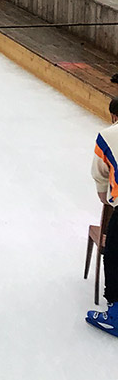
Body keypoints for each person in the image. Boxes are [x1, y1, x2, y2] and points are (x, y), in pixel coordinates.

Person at [86, 98, 118, 333]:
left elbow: (100, 174)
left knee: (114, 254)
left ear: (114, 116)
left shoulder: (108, 136)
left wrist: (104, 197)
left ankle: (115, 314)